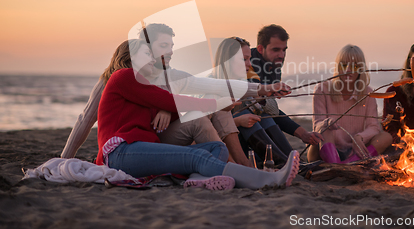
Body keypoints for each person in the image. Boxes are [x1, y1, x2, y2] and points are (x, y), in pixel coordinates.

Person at [62, 23, 287, 167]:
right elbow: (86, 120)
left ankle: (239, 167)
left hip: (162, 137)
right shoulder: (116, 78)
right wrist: (63, 160)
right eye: (164, 45)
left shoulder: (171, 76)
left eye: (171, 45)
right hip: (137, 145)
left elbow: (216, 85)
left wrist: (265, 89)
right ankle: (238, 168)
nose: (170, 51)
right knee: (209, 107)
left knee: (208, 103)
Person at [98, 39, 300, 190]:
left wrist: (167, 109)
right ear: (131, 57)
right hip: (120, 151)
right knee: (197, 156)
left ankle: (199, 180)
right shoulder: (123, 76)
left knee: (215, 148)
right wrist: (216, 104)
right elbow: (174, 101)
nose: (153, 58)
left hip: (140, 148)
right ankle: (266, 180)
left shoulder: (145, 84)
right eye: (147, 54)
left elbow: (175, 106)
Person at [211, 37, 295, 165]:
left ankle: (292, 161)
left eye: (249, 59)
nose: (249, 64)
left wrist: (262, 97)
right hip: (225, 151)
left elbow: (272, 111)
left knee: (264, 117)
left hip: (247, 148)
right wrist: (238, 121)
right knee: (244, 117)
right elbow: (206, 131)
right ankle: (286, 163)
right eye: (244, 59)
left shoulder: (244, 82)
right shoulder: (212, 86)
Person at [308, 45, 392, 163]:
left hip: (354, 150)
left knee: (386, 137)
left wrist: (359, 137)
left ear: (360, 69)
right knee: (325, 128)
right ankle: (336, 166)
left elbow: (373, 127)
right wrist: (328, 123)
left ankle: (350, 164)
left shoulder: (367, 93)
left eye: (354, 66)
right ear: (338, 66)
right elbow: (317, 125)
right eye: (344, 65)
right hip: (324, 150)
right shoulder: (322, 89)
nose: (348, 70)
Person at [249, 24, 323, 147]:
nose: (282, 55)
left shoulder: (274, 67)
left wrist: (304, 134)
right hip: (237, 120)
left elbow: (270, 110)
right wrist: (269, 94)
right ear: (261, 49)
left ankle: (288, 159)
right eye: (276, 50)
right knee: (265, 117)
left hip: (257, 119)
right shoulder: (249, 64)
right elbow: (269, 110)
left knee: (267, 117)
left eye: (284, 50)